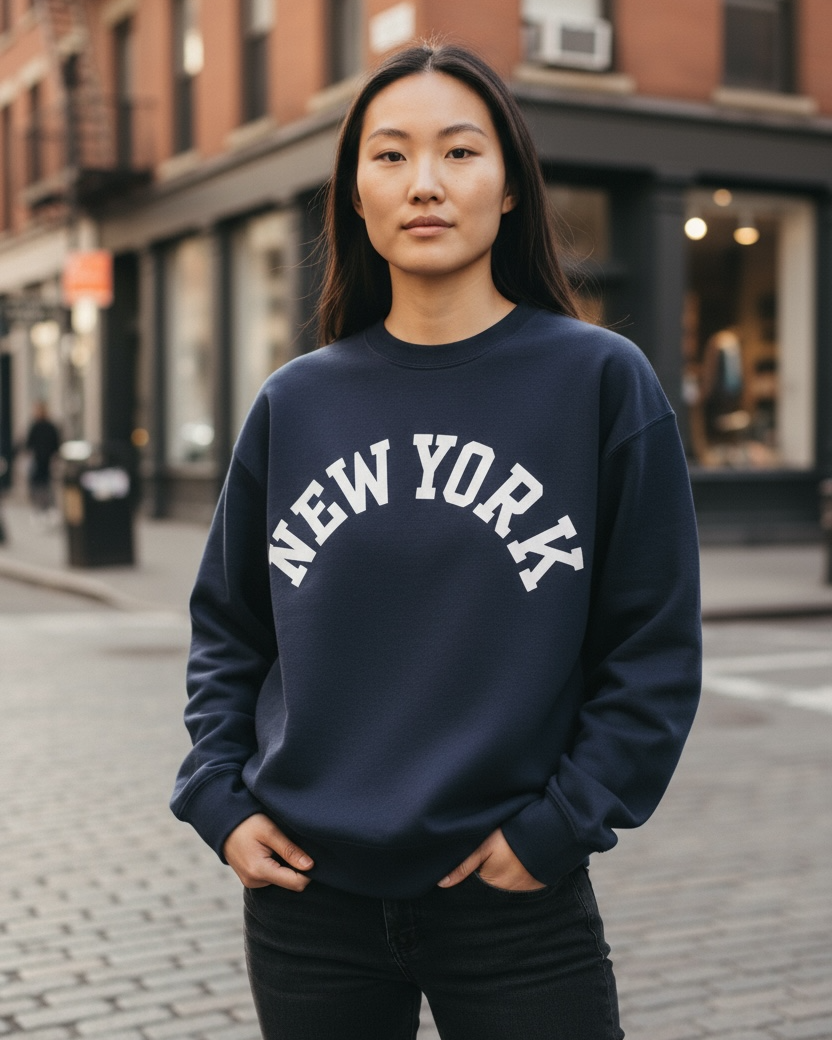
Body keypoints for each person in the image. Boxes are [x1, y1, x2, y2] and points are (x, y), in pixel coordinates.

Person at [172, 43, 701, 1040]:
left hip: (513, 905)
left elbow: (653, 644)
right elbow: (230, 629)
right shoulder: (296, 402)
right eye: (390, 155)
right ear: (355, 193)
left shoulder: (598, 382)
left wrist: (559, 825)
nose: (424, 183)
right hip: (307, 906)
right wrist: (218, 799)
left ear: (510, 186)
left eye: (459, 152)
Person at [24, 402, 61, 515]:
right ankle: (44, 505)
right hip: (44, 458)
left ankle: (43, 505)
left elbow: (29, 444)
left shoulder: (38, 426)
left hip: (41, 458)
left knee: (39, 482)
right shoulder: (47, 426)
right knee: (44, 482)